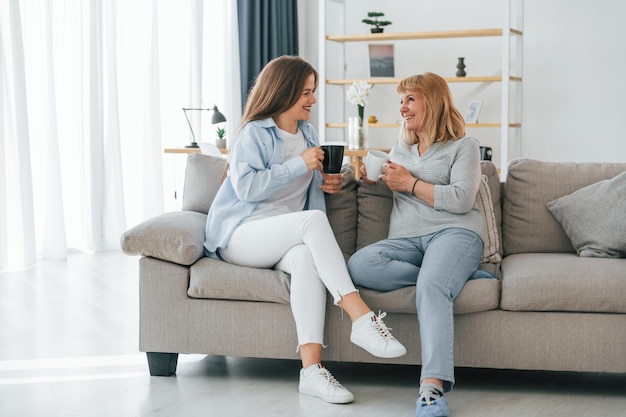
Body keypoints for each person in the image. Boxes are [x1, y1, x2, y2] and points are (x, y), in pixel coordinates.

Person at [203, 55, 406, 404]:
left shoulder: (309, 134)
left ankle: (311, 372)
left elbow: (307, 188)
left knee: (308, 261)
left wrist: (331, 182)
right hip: (243, 234)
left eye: (313, 91)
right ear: (283, 92)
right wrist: (299, 164)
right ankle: (360, 316)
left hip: (285, 237)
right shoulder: (253, 133)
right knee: (311, 223)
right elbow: (247, 188)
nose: (312, 99)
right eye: (305, 92)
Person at [347, 72, 484, 417]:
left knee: (432, 285)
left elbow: (461, 199)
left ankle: (432, 389)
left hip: (454, 233)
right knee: (360, 265)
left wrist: (409, 184)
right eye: (401, 100)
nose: (402, 108)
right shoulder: (401, 146)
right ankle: (453, 276)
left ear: (433, 101)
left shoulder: (463, 146)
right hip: (407, 239)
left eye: (410, 99)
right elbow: (390, 182)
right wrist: (370, 179)